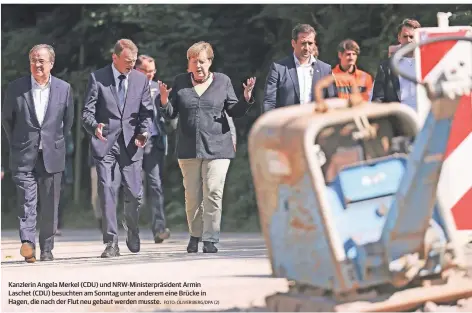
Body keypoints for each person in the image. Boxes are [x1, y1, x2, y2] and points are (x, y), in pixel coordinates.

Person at [158, 41, 256, 253]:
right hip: (188, 148)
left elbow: (234, 110)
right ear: (189, 64)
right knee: (192, 196)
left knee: (213, 192)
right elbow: (171, 114)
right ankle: (195, 235)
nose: (199, 66)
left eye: (202, 61)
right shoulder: (180, 82)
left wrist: (246, 99)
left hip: (218, 147)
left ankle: (210, 238)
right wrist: (165, 101)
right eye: (194, 62)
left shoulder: (223, 81)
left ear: (210, 62)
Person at [2, 44, 74, 263]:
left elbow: (67, 122)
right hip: (24, 154)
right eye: (33, 60)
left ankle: (46, 247)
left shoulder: (64, 88)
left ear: (51, 63)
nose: (37, 65)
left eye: (41, 60)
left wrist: (53, 141)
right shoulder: (16, 88)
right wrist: (19, 142)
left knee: (50, 204)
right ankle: (28, 243)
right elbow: (7, 121)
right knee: (26, 199)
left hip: (52, 154)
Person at [82, 38, 153, 258]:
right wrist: (94, 127)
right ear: (115, 58)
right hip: (105, 143)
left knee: (134, 193)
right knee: (107, 189)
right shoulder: (97, 78)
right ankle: (111, 242)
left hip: (132, 144)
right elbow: (86, 113)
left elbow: (146, 113)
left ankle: (132, 228)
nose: (131, 64)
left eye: (133, 60)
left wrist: (143, 132)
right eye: (127, 60)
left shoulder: (140, 80)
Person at [134, 54, 171, 243]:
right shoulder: (127, 87)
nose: (149, 75)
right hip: (131, 144)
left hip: (154, 142)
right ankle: (130, 227)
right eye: (145, 71)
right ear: (136, 70)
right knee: (134, 188)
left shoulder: (158, 89)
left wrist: (165, 103)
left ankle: (159, 228)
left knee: (155, 185)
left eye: (152, 71)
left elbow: (170, 117)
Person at [262, 23, 336, 112]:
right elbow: (269, 102)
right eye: (303, 43)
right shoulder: (278, 69)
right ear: (293, 43)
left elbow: (331, 101)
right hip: (287, 123)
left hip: (315, 122)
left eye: (310, 43)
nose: (307, 47)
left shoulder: (325, 69)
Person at [371, 18, 422, 110]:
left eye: (412, 37)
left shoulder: (427, 64)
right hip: (398, 120)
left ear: (419, 37)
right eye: (405, 36)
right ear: (399, 38)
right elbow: (378, 99)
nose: (409, 40)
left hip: (425, 120)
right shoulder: (386, 67)